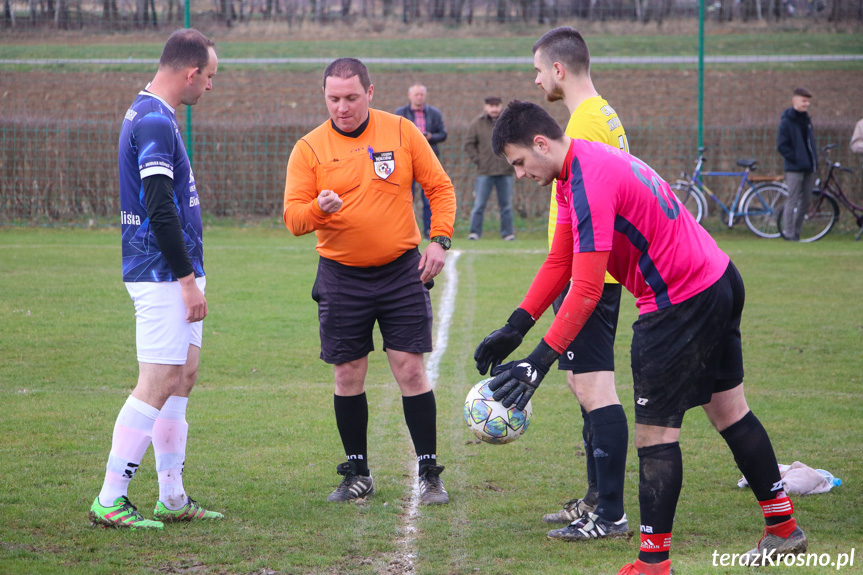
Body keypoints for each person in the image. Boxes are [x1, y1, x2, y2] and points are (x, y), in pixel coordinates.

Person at [476, 100, 807, 575]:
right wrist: (516, 324)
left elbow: (588, 289)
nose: (522, 174)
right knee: (730, 411)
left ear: (541, 144)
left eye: (520, 163)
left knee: (656, 436)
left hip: (679, 302)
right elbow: (560, 261)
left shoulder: (586, 180)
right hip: (717, 278)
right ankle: (782, 529)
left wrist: (538, 361)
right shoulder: (578, 169)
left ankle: (653, 564)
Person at [476, 26, 631, 542]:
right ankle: (596, 500)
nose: (537, 78)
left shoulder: (583, 127)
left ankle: (608, 511)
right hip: (586, 268)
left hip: (595, 274)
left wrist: (532, 355)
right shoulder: (597, 114)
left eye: (539, 69)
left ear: (559, 69)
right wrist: (515, 327)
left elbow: (587, 226)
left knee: (593, 386)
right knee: (584, 384)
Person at [284, 58, 456, 505]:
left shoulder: (400, 131)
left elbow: (439, 186)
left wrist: (439, 240)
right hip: (341, 277)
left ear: (371, 92)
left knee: (411, 369)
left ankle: (429, 471)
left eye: (351, 98)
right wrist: (319, 208)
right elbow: (293, 218)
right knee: (347, 373)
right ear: (325, 96)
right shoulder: (309, 148)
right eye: (333, 98)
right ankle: (357, 471)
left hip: (402, 271)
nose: (342, 107)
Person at [89, 28, 224, 530]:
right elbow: (160, 207)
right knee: (159, 380)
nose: (209, 87)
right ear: (190, 73)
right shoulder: (153, 121)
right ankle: (110, 498)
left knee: (182, 377)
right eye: (209, 77)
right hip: (163, 273)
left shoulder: (156, 114)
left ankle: (173, 496)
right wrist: (187, 279)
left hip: (176, 272)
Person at [394, 84, 448, 239]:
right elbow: (395, 135)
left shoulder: (434, 113)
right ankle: (404, 230)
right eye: (416, 94)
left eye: (421, 94)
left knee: (428, 198)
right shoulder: (400, 114)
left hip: (428, 160)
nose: (419, 97)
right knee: (405, 197)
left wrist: (430, 137)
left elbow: (443, 134)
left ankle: (429, 231)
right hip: (405, 161)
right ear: (410, 96)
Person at [465, 96, 516, 241]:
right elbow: (469, 144)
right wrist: (479, 160)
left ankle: (508, 234)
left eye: (496, 105)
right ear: (485, 107)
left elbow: (517, 142)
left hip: (505, 171)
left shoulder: (508, 123)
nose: (494, 109)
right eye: (491, 106)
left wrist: (512, 161)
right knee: (479, 205)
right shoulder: (477, 124)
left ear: (501, 106)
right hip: (484, 171)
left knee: (506, 206)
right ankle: (474, 233)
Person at [777, 87, 818, 241]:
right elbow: (782, 146)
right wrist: (796, 159)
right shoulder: (787, 121)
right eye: (803, 100)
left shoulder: (807, 120)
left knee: (806, 201)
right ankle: (789, 233)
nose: (806, 104)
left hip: (808, 168)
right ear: (795, 101)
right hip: (794, 169)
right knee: (792, 200)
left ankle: (797, 231)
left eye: (808, 101)